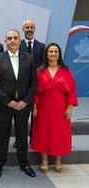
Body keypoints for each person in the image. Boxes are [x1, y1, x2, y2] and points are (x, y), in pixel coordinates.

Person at [0, 29, 37, 178]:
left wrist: (25, 101)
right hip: (4, 105)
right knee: (2, 136)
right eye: (9, 38)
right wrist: (8, 101)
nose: (12, 40)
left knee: (22, 136)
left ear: (20, 40)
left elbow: (34, 83)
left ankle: (24, 163)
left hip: (23, 106)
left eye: (15, 38)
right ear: (5, 41)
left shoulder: (29, 58)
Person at [31, 43, 78, 173]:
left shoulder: (65, 70)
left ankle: (58, 161)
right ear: (46, 54)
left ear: (59, 54)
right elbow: (35, 91)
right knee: (43, 132)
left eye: (55, 51)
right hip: (43, 108)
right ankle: (44, 161)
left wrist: (69, 108)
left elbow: (72, 90)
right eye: (50, 51)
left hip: (60, 107)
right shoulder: (40, 71)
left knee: (59, 133)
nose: (53, 54)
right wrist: (34, 106)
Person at [13, 19, 45, 148]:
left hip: (37, 86)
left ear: (34, 29)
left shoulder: (41, 46)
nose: (29, 29)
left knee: (37, 115)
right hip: (21, 88)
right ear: (23, 29)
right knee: (21, 118)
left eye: (31, 27)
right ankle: (19, 139)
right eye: (27, 27)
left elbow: (43, 65)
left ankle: (34, 138)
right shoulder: (17, 45)